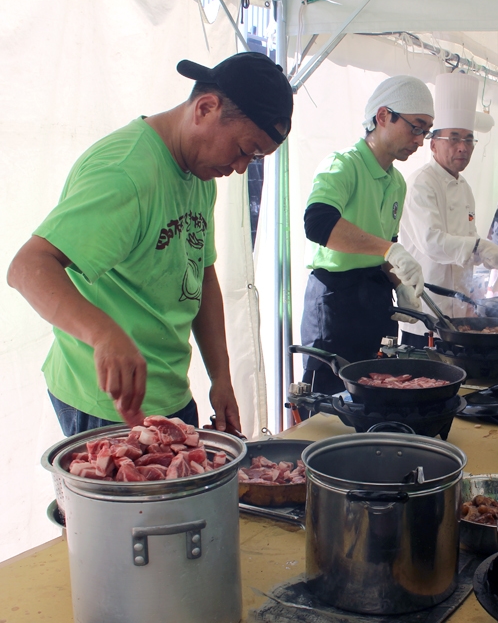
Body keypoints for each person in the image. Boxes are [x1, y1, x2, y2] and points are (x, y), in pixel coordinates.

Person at [6, 52, 293, 436]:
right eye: (244, 150)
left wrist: (221, 377)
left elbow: (202, 275)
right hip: (107, 402)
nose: (241, 168)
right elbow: (28, 267)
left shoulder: (199, 174)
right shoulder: (125, 173)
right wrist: (104, 334)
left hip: (170, 394)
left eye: (255, 159)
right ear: (206, 108)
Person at [301, 75, 432, 394]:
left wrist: (399, 284)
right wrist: (389, 251)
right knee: (330, 403)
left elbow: (385, 244)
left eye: (425, 132)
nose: (419, 141)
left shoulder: (397, 182)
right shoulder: (342, 165)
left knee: (380, 390)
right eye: (415, 127)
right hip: (336, 303)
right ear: (383, 116)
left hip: (374, 299)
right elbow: (318, 223)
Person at [397, 73, 498, 347]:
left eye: (469, 139)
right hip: (427, 311)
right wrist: (480, 247)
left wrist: (479, 279)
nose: (463, 147)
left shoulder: (464, 187)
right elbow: (432, 242)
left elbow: (465, 245)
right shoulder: (422, 182)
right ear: (433, 144)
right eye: (454, 138)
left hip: (459, 310)